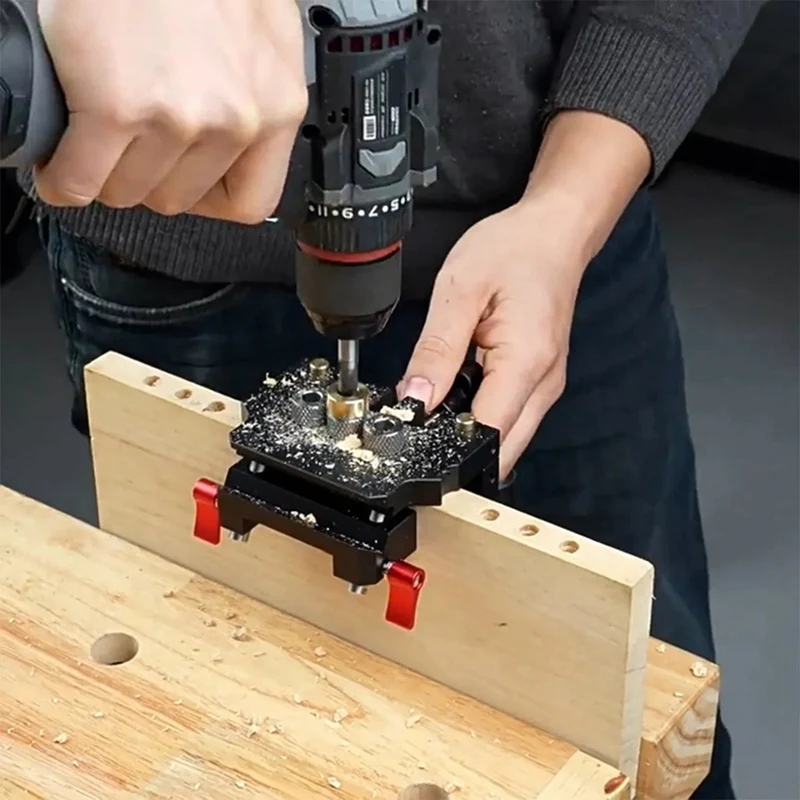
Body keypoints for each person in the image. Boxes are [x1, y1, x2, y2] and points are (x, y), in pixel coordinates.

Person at [20, 1, 762, 796]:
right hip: (175, 252)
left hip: (565, 226)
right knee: (232, 723)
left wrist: (569, 211)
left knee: (644, 718)